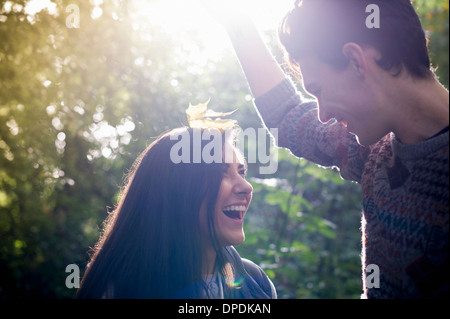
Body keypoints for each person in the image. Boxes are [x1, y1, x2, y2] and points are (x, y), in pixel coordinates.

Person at [206, 0, 449, 298]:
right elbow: (287, 117)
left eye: (318, 90)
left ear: (357, 61)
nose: (322, 114)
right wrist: (238, 24)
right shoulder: (375, 151)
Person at [77, 124, 277, 299]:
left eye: (241, 172)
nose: (246, 187)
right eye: (220, 173)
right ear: (176, 189)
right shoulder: (115, 290)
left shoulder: (257, 285)